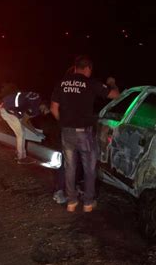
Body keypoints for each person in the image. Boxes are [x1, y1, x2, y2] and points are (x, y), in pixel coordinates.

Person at [50, 55, 120, 212]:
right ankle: (88, 203)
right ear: (88, 68)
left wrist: (64, 123)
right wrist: (111, 83)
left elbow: (54, 108)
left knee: (69, 168)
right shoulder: (90, 83)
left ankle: (71, 202)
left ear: (75, 67)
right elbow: (116, 95)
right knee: (89, 168)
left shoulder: (62, 83)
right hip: (84, 134)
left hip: (67, 133)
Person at [0, 91, 45, 164]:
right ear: (44, 105)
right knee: (21, 133)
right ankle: (21, 158)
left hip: (8, 108)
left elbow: (25, 120)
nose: (44, 113)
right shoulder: (35, 107)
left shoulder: (35, 99)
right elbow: (25, 121)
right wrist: (36, 132)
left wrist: (35, 132)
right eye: (45, 110)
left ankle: (20, 154)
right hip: (7, 110)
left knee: (21, 132)